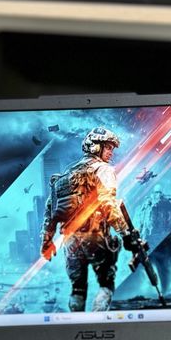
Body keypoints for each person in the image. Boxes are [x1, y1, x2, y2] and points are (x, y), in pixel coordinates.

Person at [41, 127, 131, 312]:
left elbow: (50, 209)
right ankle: (98, 321)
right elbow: (108, 203)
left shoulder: (66, 174)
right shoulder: (104, 169)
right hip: (96, 237)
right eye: (108, 147)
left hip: (70, 241)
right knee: (106, 284)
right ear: (95, 147)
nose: (111, 152)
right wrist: (126, 234)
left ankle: (77, 323)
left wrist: (46, 241)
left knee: (78, 290)